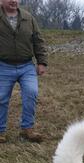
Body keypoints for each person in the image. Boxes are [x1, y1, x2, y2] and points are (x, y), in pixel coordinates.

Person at [0, 0, 47, 143]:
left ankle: (28, 129)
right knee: (1, 98)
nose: (13, 1)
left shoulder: (28, 18)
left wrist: (41, 62)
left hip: (26, 66)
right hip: (3, 65)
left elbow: (38, 40)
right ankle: (0, 131)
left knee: (31, 93)